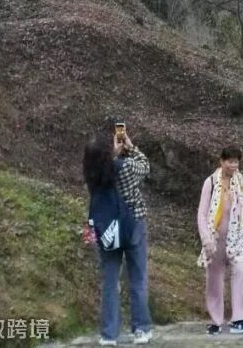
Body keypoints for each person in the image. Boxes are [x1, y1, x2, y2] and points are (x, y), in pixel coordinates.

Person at [84, 123, 153, 348]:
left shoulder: (92, 175)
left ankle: (109, 335)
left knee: (110, 282)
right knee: (137, 279)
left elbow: (104, 170)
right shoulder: (125, 167)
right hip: (132, 226)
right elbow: (145, 166)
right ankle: (141, 329)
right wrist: (130, 147)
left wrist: (111, 155)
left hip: (106, 232)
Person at [198, 145, 243, 336]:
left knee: (240, 271)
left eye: (236, 162)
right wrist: (206, 238)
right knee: (214, 279)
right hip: (215, 237)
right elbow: (202, 214)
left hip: (237, 236)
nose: (233, 165)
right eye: (230, 161)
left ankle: (238, 319)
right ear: (222, 161)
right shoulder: (210, 182)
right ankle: (216, 320)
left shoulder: (242, 182)